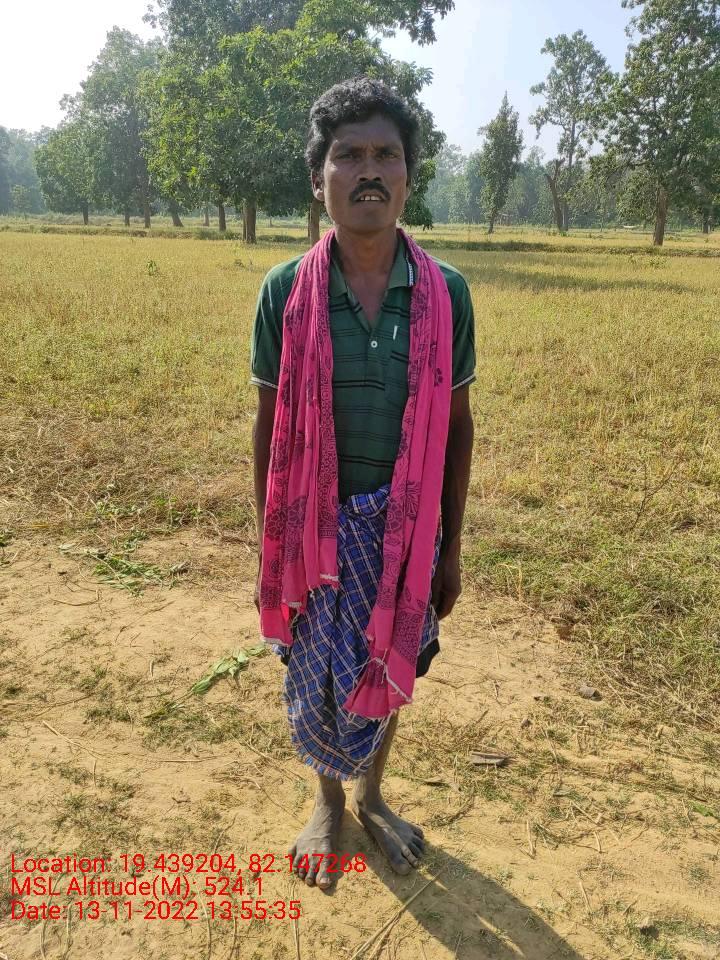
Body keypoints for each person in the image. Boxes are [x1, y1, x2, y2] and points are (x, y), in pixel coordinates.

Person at [250, 77, 475, 891]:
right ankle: (326, 802)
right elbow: (269, 426)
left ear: (409, 176)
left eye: (387, 154)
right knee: (314, 673)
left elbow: (457, 426)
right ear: (320, 179)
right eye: (349, 155)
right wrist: (271, 541)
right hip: (313, 534)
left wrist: (450, 547)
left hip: (406, 538)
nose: (369, 170)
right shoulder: (285, 291)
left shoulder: (446, 293)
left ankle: (373, 796)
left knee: (390, 662)